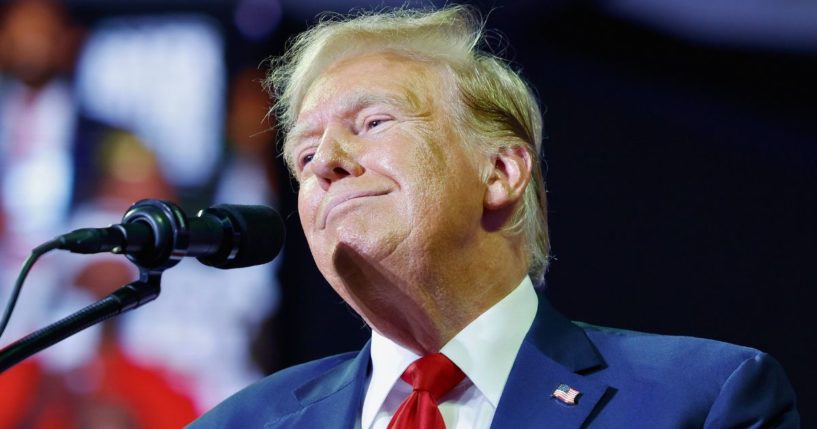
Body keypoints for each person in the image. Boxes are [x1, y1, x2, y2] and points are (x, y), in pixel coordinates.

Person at [190, 5, 799, 428]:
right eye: (303, 153)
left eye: (372, 123)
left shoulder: (700, 399)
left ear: (502, 172)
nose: (326, 162)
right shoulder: (239, 423)